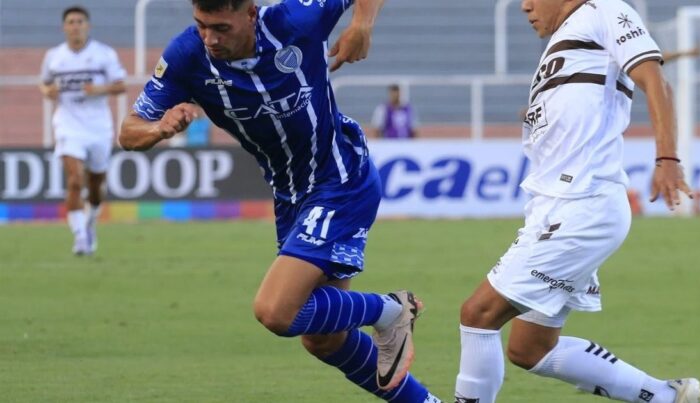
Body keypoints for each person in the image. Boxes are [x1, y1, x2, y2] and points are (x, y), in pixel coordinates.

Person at [119, 1, 440, 402]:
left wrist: (362, 24)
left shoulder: (296, 19)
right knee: (323, 340)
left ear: (250, 14)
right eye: (201, 26)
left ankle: (392, 310)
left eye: (221, 27)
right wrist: (158, 130)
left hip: (339, 179)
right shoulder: (187, 55)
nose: (210, 39)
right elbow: (128, 132)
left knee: (275, 311)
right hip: (291, 197)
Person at [454, 1, 700, 402]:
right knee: (529, 348)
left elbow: (655, 80)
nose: (524, 6)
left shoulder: (602, 9)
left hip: (583, 204)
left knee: (478, 314)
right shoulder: (561, 44)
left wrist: (668, 157)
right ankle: (664, 396)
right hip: (555, 207)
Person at [40, 5, 127, 256]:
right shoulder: (54, 56)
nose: (75, 26)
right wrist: (48, 92)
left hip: (98, 126)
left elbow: (120, 85)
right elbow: (45, 84)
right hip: (68, 124)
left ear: (87, 26)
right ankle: (79, 236)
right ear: (64, 27)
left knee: (96, 184)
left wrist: (99, 90)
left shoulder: (103, 54)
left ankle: (90, 221)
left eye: (80, 21)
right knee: (75, 180)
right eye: (71, 22)